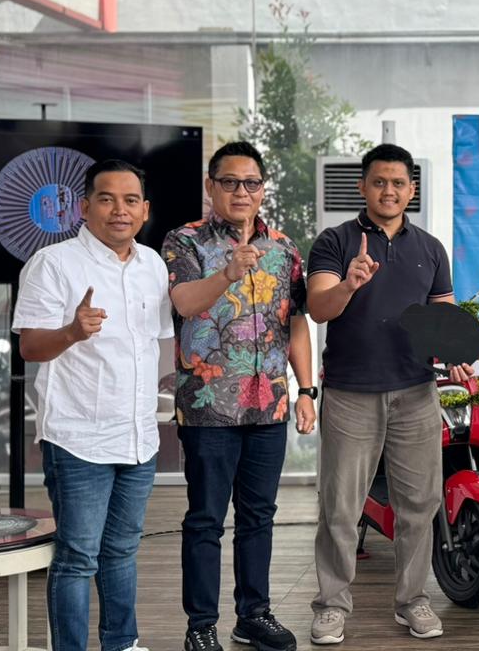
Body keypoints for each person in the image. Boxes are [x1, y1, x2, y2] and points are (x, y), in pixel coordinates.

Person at [306, 143, 471, 644]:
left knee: (419, 503)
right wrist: (349, 284)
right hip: (350, 393)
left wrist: (455, 350)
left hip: (416, 392)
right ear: (363, 186)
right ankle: (331, 606)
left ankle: (413, 601)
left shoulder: (431, 248)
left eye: (398, 183)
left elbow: (442, 315)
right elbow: (319, 308)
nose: (389, 191)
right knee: (340, 506)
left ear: (411, 190)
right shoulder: (335, 241)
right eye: (379, 181)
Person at [162, 141, 316, 651]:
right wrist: (227, 272)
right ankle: (200, 625)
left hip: (269, 404)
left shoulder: (284, 248)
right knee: (206, 519)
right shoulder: (184, 241)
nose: (241, 192)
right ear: (211, 186)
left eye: (251, 183)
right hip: (208, 406)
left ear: (263, 189)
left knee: (259, 517)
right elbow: (184, 303)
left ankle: (254, 615)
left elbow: (295, 323)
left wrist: (306, 389)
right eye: (229, 182)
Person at [13, 159, 172, 651]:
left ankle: (122, 643)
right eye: (106, 199)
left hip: (139, 436)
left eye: (130, 200)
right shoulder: (53, 263)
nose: (119, 210)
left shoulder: (153, 265)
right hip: (78, 438)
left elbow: (154, 342)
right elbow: (30, 347)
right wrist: (71, 331)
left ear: (145, 210)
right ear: (84, 207)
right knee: (78, 557)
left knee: (122, 550)